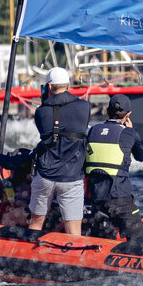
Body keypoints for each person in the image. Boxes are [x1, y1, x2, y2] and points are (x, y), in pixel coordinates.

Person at [26, 67, 91, 236]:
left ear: (48, 87)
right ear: (68, 85)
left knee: (36, 222)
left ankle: (30, 256)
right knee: (73, 230)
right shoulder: (84, 107)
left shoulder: (41, 112)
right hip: (71, 177)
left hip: (45, 176)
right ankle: (72, 260)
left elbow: (45, 133)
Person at [84, 95, 143, 241]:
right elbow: (141, 156)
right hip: (120, 198)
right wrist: (133, 132)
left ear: (107, 111)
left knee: (102, 240)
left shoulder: (93, 130)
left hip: (96, 199)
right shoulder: (129, 133)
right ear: (128, 115)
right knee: (138, 240)